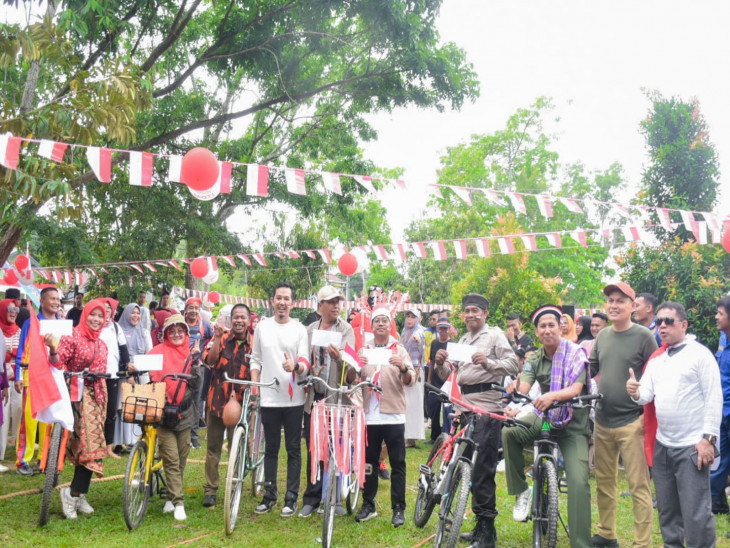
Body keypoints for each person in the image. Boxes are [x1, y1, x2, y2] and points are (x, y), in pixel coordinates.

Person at [626, 301, 721, 547]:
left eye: (669, 321)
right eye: (659, 322)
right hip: (663, 446)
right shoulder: (658, 360)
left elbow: (714, 398)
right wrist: (634, 391)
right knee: (668, 513)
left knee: (696, 514)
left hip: (692, 447)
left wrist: (708, 440)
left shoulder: (700, 355)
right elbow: (645, 395)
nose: (663, 326)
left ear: (684, 324)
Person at [502, 305, 592, 548]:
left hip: (573, 425)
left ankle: (581, 544)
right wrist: (514, 391)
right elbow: (524, 388)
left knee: (578, 481)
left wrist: (553, 395)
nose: (548, 329)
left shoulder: (576, 353)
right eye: (543, 326)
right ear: (537, 332)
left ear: (561, 327)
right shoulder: (533, 359)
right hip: (544, 417)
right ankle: (522, 491)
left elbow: (576, 390)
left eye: (552, 324)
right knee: (510, 431)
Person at [434, 293, 518, 548]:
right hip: (464, 406)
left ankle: (487, 531)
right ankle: (476, 522)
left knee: (482, 469)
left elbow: (513, 364)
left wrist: (489, 362)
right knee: (466, 466)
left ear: (485, 313)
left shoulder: (494, 335)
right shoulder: (462, 339)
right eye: (467, 311)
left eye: (475, 310)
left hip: (487, 408)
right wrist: (440, 365)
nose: (470, 315)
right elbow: (451, 372)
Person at [589, 282, 656, 548]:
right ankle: (607, 533)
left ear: (632, 306)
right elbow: (590, 368)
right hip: (602, 420)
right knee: (604, 482)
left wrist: (642, 396)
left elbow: (656, 374)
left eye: (620, 301)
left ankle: (642, 543)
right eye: (611, 301)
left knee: (638, 486)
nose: (614, 305)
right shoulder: (602, 336)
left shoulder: (643, 337)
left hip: (633, 422)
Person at [250, 282, 310, 517]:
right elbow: (255, 359)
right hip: (268, 397)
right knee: (271, 448)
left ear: (293, 303)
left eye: (287, 298)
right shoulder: (262, 328)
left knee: (293, 449)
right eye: (278, 298)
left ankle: (291, 498)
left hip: (294, 399)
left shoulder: (299, 329)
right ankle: (269, 495)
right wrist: (256, 387)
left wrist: (294, 366)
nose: (282, 302)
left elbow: (305, 363)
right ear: (272, 301)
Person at [355, 304, 415, 527]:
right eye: (377, 321)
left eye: (384, 320)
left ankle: (398, 508)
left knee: (398, 463)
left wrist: (404, 368)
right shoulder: (365, 350)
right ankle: (368, 504)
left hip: (393, 416)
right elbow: (352, 377)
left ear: (391, 325)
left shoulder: (399, 350)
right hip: (370, 415)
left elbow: (412, 380)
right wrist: (355, 367)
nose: (381, 324)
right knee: (369, 462)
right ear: (372, 326)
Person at [300, 285, 356, 517]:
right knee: (314, 447)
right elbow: (302, 359)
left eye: (338, 302)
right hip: (314, 396)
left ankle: (335, 498)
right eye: (331, 302)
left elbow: (352, 369)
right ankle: (312, 498)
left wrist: (340, 358)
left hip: (338, 397)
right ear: (320, 306)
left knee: (337, 447)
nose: (336, 306)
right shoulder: (310, 330)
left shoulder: (347, 329)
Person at [53, 299, 110, 519]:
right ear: (84, 315)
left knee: (92, 447)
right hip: (77, 396)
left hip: (97, 399)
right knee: (88, 446)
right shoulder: (72, 336)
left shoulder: (101, 344)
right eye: (92, 315)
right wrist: (51, 350)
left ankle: (79, 495)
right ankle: (71, 493)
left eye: (100, 316)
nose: (96, 320)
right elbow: (59, 364)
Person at [148, 314, 202, 521]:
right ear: (166, 334)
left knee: (181, 458)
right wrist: (134, 367)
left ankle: (171, 496)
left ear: (186, 333)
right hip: (163, 414)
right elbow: (144, 367)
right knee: (170, 459)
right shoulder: (157, 352)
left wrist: (196, 361)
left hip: (186, 415)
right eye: (172, 330)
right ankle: (179, 503)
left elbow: (197, 385)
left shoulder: (191, 353)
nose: (177, 334)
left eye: (181, 330)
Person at [202, 303, 252, 507]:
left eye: (243, 317)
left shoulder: (255, 343)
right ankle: (210, 489)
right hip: (216, 401)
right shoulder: (221, 338)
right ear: (231, 320)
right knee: (213, 447)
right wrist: (215, 339)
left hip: (239, 404)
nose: (239, 320)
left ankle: (234, 485)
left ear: (248, 321)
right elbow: (210, 361)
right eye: (236, 317)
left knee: (235, 447)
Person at [15, 286, 61, 475]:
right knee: (29, 419)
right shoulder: (31, 322)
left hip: (53, 378)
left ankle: (44, 459)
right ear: (41, 301)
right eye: (52, 298)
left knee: (48, 420)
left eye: (58, 299)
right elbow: (21, 350)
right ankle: (23, 461)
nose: (56, 302)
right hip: (32, 377)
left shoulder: (62, 324)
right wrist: (18, 375)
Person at [115, 303, 153, 449]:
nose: (136, 315)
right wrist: (127, 369)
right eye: (133, 312)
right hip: (123, 374)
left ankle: (136, 440)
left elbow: (149, 353)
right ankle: (121, 442)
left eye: (138, 313)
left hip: (141, 375)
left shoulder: (144, 332)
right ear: (126, 314)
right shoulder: (118, 331)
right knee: (123, 407)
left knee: (138, 407)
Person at [99, 298, 129, 459]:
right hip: (94, 376)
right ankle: (93, 447)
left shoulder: (116, 328)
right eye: (103, 308)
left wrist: (127, 369)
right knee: (94, 412)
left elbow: (124, 351)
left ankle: (108, 447)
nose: (106, 311)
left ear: (113, 311)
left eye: (108, 308)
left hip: (112, 376)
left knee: (110, 412)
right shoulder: (93, 326)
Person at [184, 297, 213, 450]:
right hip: (180, 368)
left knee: (196, 402)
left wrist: (204, 352)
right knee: (182, 400)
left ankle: (194, 437)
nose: (194, 311)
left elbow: (212, 337)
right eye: (191, 308)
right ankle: (182, 434)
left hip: (197, 368)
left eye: (196, 308)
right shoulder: (180, 323)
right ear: (186, 309)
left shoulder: (204, 325)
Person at [711, 296, 730, 513]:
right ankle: (715, 501)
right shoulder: (723, 339)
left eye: (721, 313)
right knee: (719, 457)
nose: (716, 317)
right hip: (722, 410)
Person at [0, 299, 22, 468]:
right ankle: (0, 452)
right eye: (9, 309)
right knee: (3, 414)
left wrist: (10, 352)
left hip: (18, 376)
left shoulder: (19, 331)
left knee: (19, 409)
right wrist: (11, 353)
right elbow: (6, 356)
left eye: (16, 309)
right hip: (3, 377)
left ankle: (15, 443)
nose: (13, 312)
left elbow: (21, 353)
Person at [425, 316, 453, 443]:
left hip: (447, 382)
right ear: (437, 329)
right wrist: (429, 379)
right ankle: (434, 436)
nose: (442, 331)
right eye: (440, 329)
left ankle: (447, 435)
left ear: (448, 329)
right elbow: (431, 361)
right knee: (433, 408)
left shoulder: (452, 344)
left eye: (445, 329)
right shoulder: (435, 343)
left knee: (447, 410)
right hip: (435, 382)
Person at [401, 307, 425, 447]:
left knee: (413, 404)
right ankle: (406, 435)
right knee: (406, 403)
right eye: (408, 316)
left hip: (415, 372)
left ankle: (412, 437)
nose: (409, 319)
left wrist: (416, 339)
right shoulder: (405, 332)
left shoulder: (419, 331)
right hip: (405, 370)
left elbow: (419, 338)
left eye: (412, 317)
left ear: (418, 319)